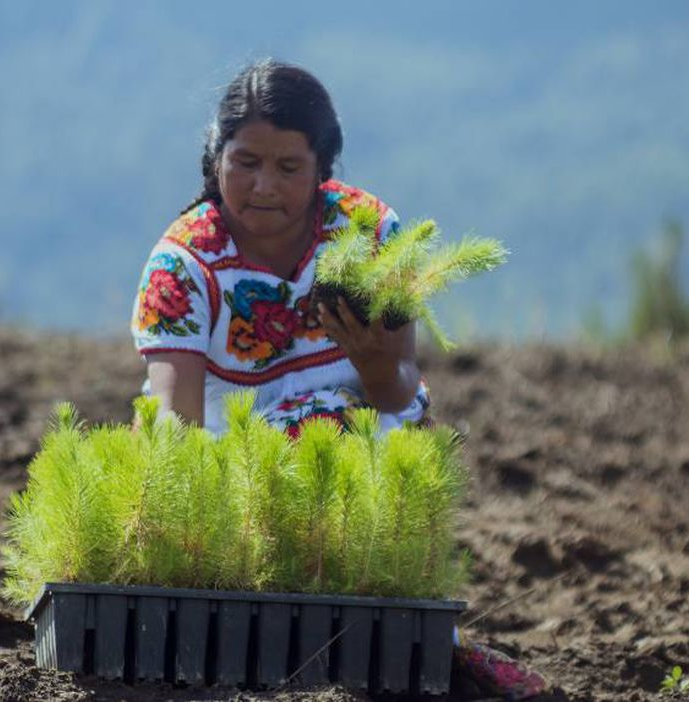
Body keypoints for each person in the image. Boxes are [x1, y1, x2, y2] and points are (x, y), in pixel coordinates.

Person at [130, 59, 558, 701]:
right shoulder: (184, 262)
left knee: (394, 430)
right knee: (303, 435)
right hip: (233, 466)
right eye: (244, 162)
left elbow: (399, 391)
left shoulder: (365, 232)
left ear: (322, 167)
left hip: (359, 446)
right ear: (216, 158)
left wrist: (379, 367)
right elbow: (174, 420)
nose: (263, 186)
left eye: (288, 167)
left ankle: (421, 638)